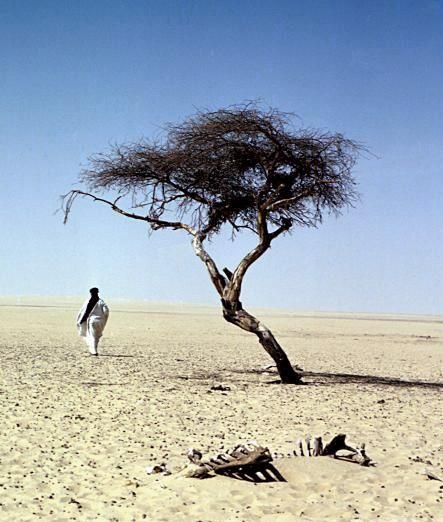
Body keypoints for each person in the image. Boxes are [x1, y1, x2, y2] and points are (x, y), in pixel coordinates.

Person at [77, 287, 109, 356]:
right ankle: (94, 350)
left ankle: (94, 351)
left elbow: (84, 311)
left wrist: (81, 320)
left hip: (92, 321)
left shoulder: (89, 301)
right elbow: (106, 311)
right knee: (96, 336)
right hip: (100, 321)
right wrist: (103, 318)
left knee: (93, 336)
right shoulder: (101, 302)